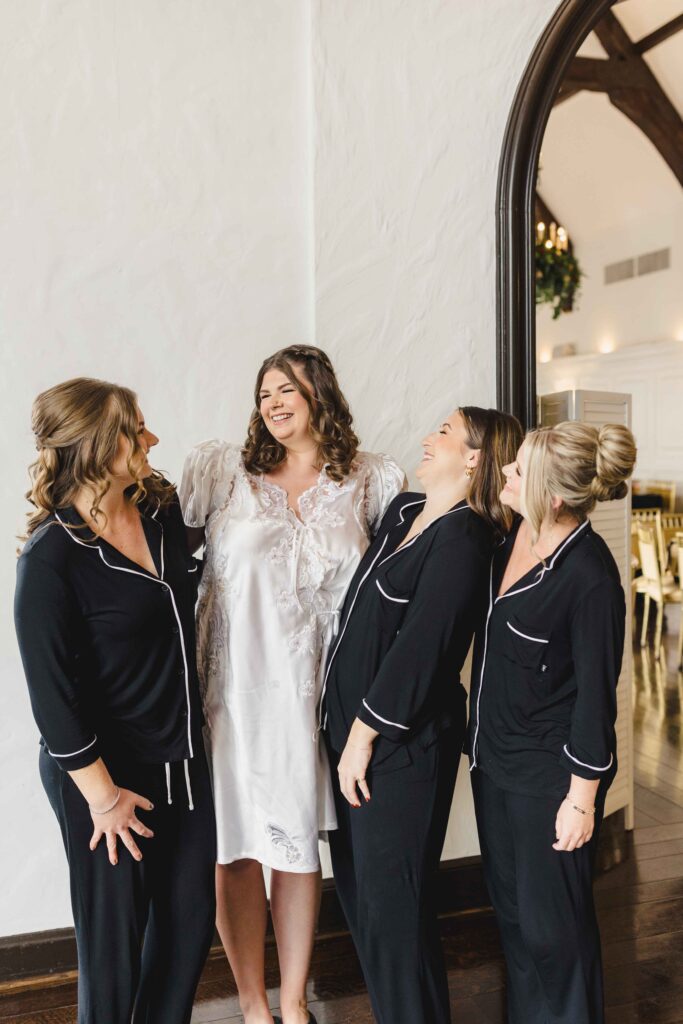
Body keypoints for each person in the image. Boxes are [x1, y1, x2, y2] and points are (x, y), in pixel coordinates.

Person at [179, 345, 404, 1024]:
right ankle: (252, 1003)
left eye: (288, 391)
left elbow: (398, 586)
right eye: (264, 393)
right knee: (237, 849)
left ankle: (296, 998)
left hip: (314, 697)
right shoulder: (225, 473)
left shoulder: (371, 480)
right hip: (231, 697)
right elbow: (159, 559)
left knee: (297, 846)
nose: (273, 403)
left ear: (319, 397)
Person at [14, 378, 216, 1024]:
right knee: (114, 952)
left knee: (186, 931)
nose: (151, 439)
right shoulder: (52, 559)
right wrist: (102, 798)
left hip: (181, 763)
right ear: (100, 446)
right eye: (136, 429)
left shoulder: (158, 509)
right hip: (104, 781)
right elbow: (51, 697)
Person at [322, 406, 523, 1024]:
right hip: (346, 742)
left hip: (397, 752)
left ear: (475, 457)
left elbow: (423, 648)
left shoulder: (465, 538)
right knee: (365, 912)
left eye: (444, 432)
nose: (427, 438)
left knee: (394, 918)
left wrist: (361, 736)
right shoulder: (404, 513)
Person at [468, 420, 637, 1024]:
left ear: (555, 495)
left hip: (550, 786)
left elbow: (596, 702)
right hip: (493, 769)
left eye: (520, 471)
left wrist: (582, 802)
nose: (508, 474)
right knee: (514, 923)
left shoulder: (591, 580)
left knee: (555, 937)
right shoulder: (513, 536)